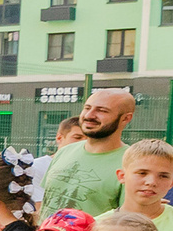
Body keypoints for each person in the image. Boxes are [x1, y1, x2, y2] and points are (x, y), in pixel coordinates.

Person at [40, 87, 139, 218]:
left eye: (102, 110)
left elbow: (129, 220)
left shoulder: (132, 162)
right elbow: (45, 204)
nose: (89, 116)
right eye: (87, 108)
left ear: (126, 119)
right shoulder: (64, 152)